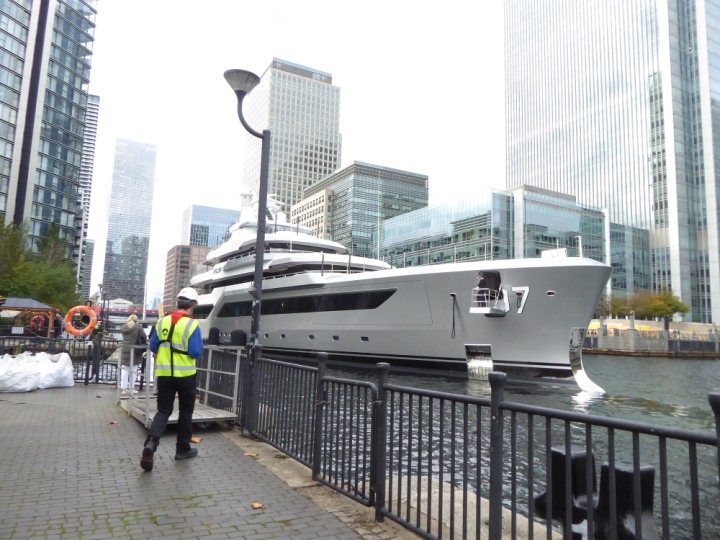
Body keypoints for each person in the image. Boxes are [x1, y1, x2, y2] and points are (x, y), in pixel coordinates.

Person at [140, 287, 203, 472]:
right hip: (186, 376)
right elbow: (195, 352)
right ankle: (182, 450)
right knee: (185, 412)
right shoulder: (192, 325)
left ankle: (151, 443)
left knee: (163, 411)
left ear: (178, 303)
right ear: (193, 305)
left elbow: (153, 346)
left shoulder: (162, 322)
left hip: (164, 375)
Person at [119, 314, 147, 390]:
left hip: (125, 349)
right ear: (136, 320)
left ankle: (123, 388)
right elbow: (144, 337)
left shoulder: (124, 327)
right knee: (134, 371)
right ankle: (131, 388)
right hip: (135, 350)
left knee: (125, 371)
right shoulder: (138, 328)